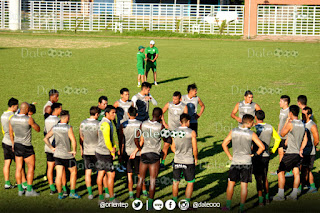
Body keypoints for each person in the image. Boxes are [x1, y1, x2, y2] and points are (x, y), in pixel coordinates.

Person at [221, 114, 265, 212]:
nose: (253, 123)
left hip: (235, 162)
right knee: (244, 186)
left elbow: (224, 144)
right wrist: (255, 155)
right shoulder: (251, 134)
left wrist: (229, 156)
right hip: (247, 163)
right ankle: (241, 208)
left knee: (231, 184)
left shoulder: (233, 131)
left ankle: (228, 206)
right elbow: (262, 147)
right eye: (252, 122)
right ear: (248, 123)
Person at [136, 107, 168, 210]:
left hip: (144, 153)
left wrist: (139, 148)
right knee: (153, 180)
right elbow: (167, 139)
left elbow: (136, 138)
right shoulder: (160, 126)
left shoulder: (143, 124)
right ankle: (150, 204)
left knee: (141, 178)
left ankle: (137, 202)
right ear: (160, 116)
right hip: (154, 155)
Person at [273, 105, 308, 201]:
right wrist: (301, 149)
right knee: (296, 172)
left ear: (291, 113)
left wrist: (287, 122)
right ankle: (294, 194)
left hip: (290, 153)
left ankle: (280, 195)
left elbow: (282, 134)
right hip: (298, 153)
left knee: (280, 172)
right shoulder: (302, 124)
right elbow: (306, 139)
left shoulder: (290, 123)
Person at [44, 110, 80, 199]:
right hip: (67, 154)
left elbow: (45, 138)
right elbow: (73, 140)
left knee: (59, 175)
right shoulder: (68, 127)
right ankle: (72, 192)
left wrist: (51, 148)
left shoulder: (55, 127)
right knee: (74, 171)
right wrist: (74, 150)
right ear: (67, 117)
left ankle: (60, 194)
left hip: (57, 154)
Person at [9, 102, 41, 196]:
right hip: (26, 146)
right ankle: (29, 190)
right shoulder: (28, 119)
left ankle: (20, 190)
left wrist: (13, 144)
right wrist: (34, 123)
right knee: (31, 167)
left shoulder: (12, 118)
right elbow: (37, 129)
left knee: (18, 168)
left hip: (17, 144)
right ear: (27, 109)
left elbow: (11, 132)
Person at [252, 110, 281, 206]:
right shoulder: (270, 127)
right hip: (266, 156)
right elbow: (278, 139)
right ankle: (267, 198)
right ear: (264, 117)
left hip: (256, 156)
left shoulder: (254, 128)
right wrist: (272, 150)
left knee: (258, 178)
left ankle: (260, 200)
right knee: (265, 177)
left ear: (256, 117)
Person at [119, 107, 147, 200]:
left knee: (129, 174)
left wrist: (121, 153)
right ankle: (144, 192)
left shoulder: (123, 125)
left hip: (127, 152)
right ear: (137, 114)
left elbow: (121, 141)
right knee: (140, 174)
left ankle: (131, 194)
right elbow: (142, 140)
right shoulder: (140, 124)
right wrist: (136, 151)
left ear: (128, 114)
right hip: (138, 153)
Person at [171, 113, 198, 205]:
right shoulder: (192, 132)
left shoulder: (175, 131)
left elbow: (172, 147)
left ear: (180, 121)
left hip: (177, 160)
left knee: (175, 182)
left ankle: (174, 201)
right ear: (188, 121)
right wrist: (196, 158)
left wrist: (178, 153)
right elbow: (195, 148)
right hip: (188, 161)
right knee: (190, 182)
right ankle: (186, 202)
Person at [1, 98, 27, 190]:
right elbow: (14, 130)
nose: (18, 107)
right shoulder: (13, 116)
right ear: (13, 106)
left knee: (7, 163)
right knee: (20, 164)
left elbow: (3, 130)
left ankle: (7, 183)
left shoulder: (3, 115)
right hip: (13, 142)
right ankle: (24, 183)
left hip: (5, 141)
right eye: (17, 106)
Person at [96, 105, 118, 204]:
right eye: (112, 113)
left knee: (101, 173)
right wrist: (112, 150)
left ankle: (101, 198)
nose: (114, 114)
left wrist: (114, 146)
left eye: (115, 112)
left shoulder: (107, 122)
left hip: (99, 151)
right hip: (104, 153)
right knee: (111, 174)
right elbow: (107, 140)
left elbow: (110, 138)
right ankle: (112, 199)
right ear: (107, 113)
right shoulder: (105, 124)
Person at [160, 91, 188, 170]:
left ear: (180, 99)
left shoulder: (184, 106)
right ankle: (162, 162)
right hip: (169, 130)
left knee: (177, 147)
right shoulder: (169, 104)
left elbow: (185, 119)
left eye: (176, 99)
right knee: (166, 145)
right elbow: (161, 112)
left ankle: (176, 160)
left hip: (179, 131)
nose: (174, 100)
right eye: (173, 99)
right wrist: (164, 123)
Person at [44, 103, 66, 195]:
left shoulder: (47, 119)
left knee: (50, 168)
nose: (61, 110)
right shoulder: (58, 120)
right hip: (57, 148)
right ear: (56, 109)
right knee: (61, 169)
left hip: (48, 147)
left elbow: (45, 132)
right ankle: (64, 189)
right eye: (60, 109)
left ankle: (52, 188)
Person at [79, 106, 101, 200]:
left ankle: (90, 194)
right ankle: (105, 193)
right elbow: (100, 138)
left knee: (87, 172)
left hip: (87, 151)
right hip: (97, 151)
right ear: (96, 114)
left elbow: (81, 138)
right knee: (100, 172)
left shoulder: (83, 123)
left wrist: (81, 149)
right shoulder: (98, 124)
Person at [299, 107, 319, 194]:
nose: (302, 116)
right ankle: (307, 185)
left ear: (309, 115)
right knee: (304, 169)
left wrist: (310, 147)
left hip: (309, 153)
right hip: (302, 151)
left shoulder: (312, 125)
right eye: (302, 114)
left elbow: (317, 140)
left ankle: (300, 187)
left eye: (304, 114)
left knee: (305, 169)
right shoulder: (302, 123)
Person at [114, 88, 133, 173]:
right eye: (125, 94)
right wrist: (115, 123)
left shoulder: (131, 103)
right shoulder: (118, 103)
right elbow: (111, 112)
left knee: (128, 145)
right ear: (121, 95)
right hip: (121, 128)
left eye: (128, 94)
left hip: (129, 128)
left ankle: (126, 163)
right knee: (121, 146)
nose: (127, 96)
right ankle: (119, 164)